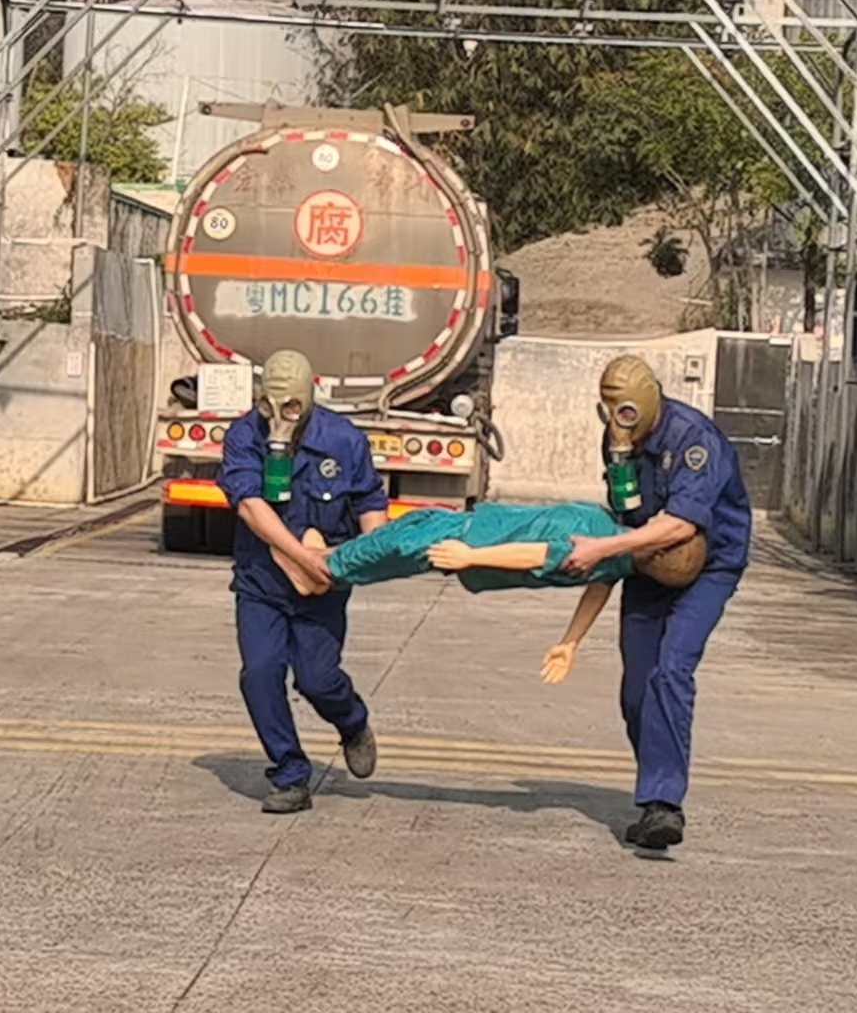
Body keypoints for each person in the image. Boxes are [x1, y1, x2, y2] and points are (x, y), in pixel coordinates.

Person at [558, 354, 752, 850]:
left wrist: (603, 548)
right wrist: (572, 637)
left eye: (624, 410)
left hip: (708, 568)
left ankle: (664, 804)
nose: (618, 421)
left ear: (647, 400)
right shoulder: (617, 442)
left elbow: (681, 524)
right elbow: (626, 514)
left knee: (671, 671)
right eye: (609, 410)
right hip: (646, 564)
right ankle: (655, 794)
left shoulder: (693, 440)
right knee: (637, 691)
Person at [272, 502, 708, 685]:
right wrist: (571, 642)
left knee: (401, 543)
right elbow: (598, 590)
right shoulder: (614, 555)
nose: (662, 517)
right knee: (397, 551)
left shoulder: (600, 545)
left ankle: (323, 569)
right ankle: (330, 562)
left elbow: (536, 554)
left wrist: (472, 555)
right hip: (475, 535)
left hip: (472, 533)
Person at [219, 349, 388, 814]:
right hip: (262, 581)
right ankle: (290, 774)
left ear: (309, 396)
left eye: (291, 406)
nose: (280, 416)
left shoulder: (342, 439)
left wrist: (366, 554)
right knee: (260, 672)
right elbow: (250, 505)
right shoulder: (243, 436)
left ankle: (352, 722)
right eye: (269, 405)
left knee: (318, 679)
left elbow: (369, 499)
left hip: (323, 587)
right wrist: (299, 557)